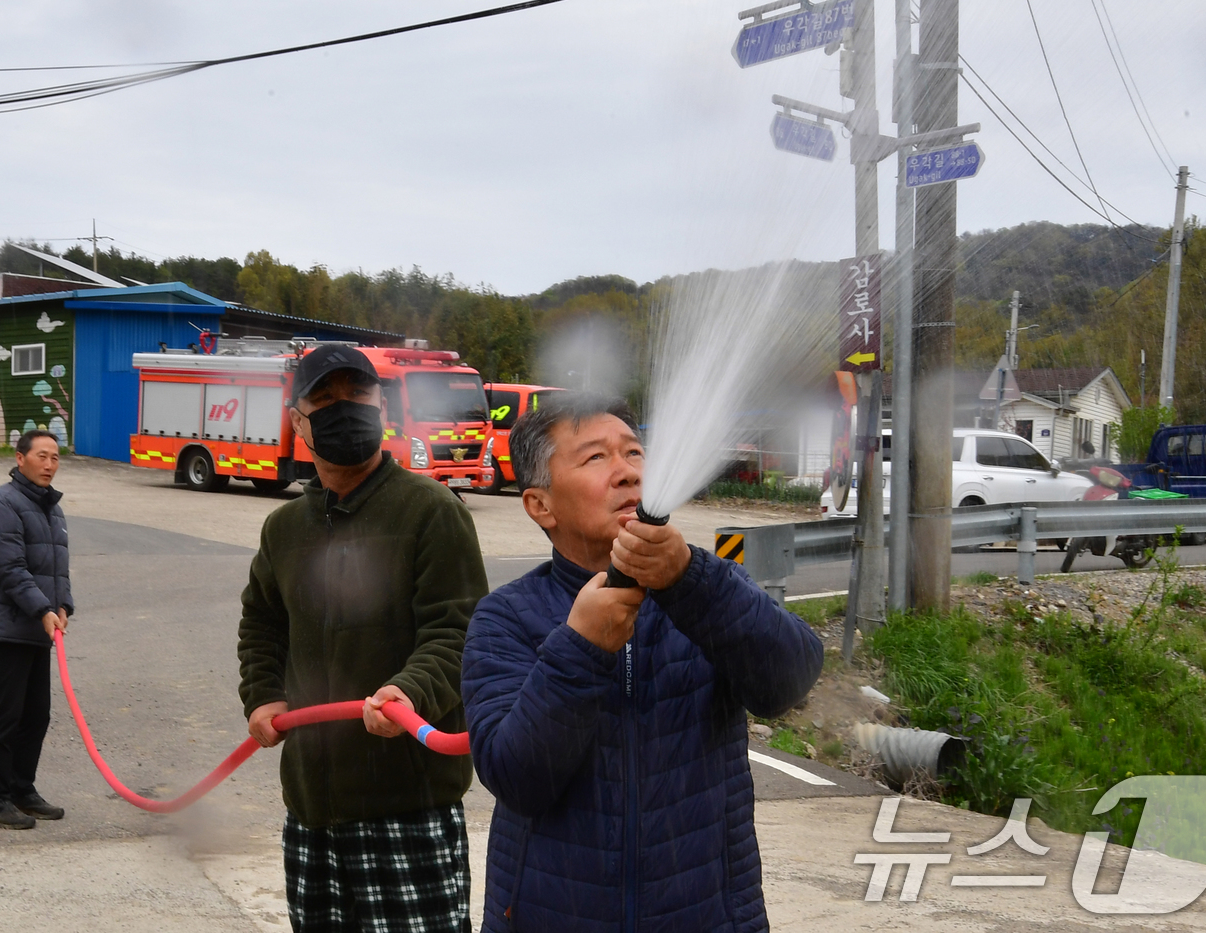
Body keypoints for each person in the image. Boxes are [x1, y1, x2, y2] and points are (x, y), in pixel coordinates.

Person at [462, 393, 824, 933]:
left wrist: (692, 579)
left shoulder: (705, 590)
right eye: (595, 458)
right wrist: (580, 648)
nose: (628, 473)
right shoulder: (505, 617)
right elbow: (518, 778)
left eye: (634, 453)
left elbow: (789, 681)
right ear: (540, 505)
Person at [238, 344, 487, 933]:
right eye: (323, 399)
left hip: (407, 804)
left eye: (357, 395)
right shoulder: (285, 527)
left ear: (382, 405)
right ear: (297, 420)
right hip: (312, 809)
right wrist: (262, 693)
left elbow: (459, 632)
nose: (342, 408)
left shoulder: (431, 511)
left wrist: (410, 693)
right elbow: (262, 623)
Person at [0, 429, 73, 830]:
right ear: (20, 459)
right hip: (10, 626)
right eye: (41, 456)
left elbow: (57, 569)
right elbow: (10, 570)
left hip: (40, 624)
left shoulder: (52, 508)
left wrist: (63, 606)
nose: (49, 464)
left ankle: (22, 789)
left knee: (37, 715)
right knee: (7, 715)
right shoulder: (2, 504)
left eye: (55, 457)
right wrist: (42, 609)